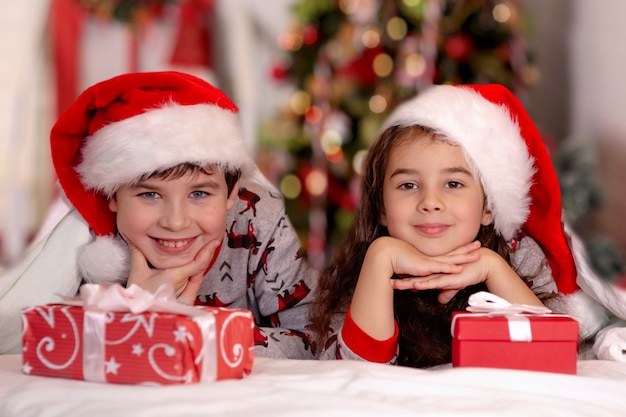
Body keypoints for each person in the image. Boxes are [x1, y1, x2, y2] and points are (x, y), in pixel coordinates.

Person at [0, 71, 318, 359]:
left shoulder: (261, 220)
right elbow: (44, 345)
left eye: (199, 193)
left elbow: (312, 338)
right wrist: (134, 312)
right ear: (111, 195)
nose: (176, 222)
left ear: (232, 194)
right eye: (150, 194)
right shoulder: (90, 245)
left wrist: (189, 331)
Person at [308, 83, 604, 368]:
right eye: (408, 184)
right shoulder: (363, 270)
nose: (431, 201)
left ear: (488, 207)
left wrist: (492, 267)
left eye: (453, 183)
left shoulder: (520, 258)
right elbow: (353, 373)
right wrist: (381, 255)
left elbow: (557, 357)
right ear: (382, 209)